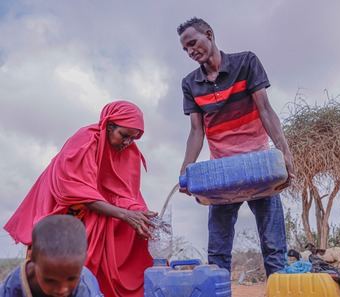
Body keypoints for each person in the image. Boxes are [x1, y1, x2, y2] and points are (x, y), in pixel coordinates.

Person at [177, 18, 295, 277]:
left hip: (259, 167)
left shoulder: (246, 62)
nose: (190, 51)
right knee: (218, 252)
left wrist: (284, 151)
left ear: (209, 34)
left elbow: (265, 109)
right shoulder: (190, 84)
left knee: (274, 247)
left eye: (193, 43)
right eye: (185, 49)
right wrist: (185, 170)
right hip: (222, 173)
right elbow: (197, 131)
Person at [4, 101, 157, 297]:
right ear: (109, 126)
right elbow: (74, 191)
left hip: (92, 213)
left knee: (134, 237)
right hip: (61, 210)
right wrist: (125, 214)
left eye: (133, 139)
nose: (127, 143)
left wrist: (139, 214)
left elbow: (125, 194)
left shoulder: (128, 152)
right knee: (52, 262)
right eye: (124, 136)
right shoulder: (84, 142)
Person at [0, 215, 103, 297]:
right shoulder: (13, 286)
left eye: (71, 279)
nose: (62, 290)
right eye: (50, 280)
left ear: (83, 261)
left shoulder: (85, 288)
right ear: (32, 258)